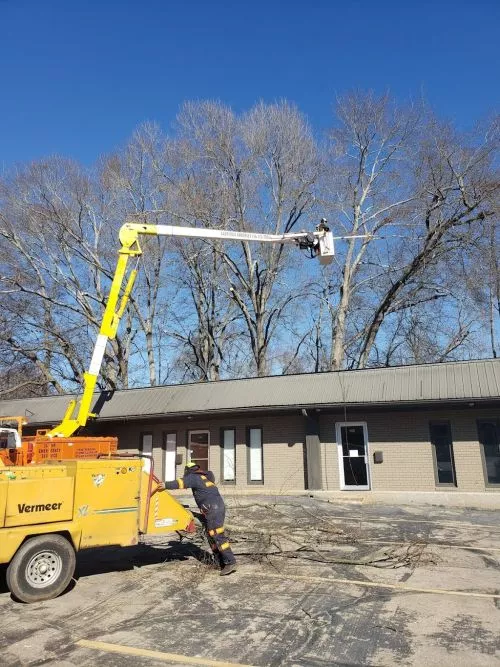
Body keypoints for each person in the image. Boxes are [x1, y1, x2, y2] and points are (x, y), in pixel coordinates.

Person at [158, 461, 237, 576]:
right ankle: (219, 560)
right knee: (211, 535)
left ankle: (230, 561)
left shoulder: (194, 477)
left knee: (216, 534)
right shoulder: (205, 477)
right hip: (215, 508)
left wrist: (165, 485)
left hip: (212, 509)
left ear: (188, 470)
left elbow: (181, 483)